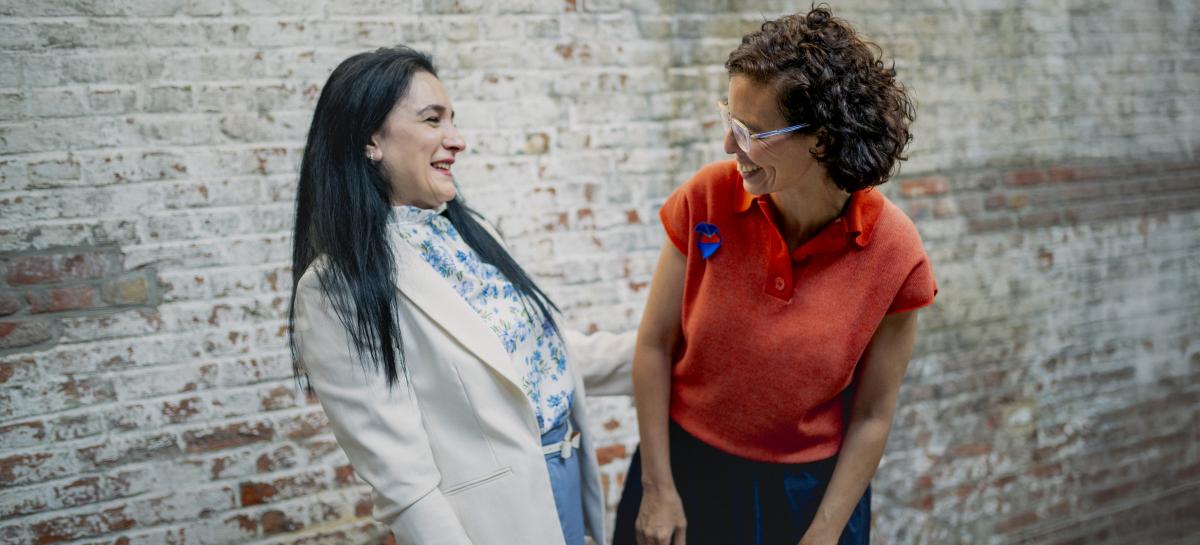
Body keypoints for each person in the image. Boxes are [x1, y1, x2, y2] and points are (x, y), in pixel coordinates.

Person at [613, 6, 936, 545]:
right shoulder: (707, 198)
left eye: (750, 132)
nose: (728, 146)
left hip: (807, 498)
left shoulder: (895, 253)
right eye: (728, 120)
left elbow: (873, 415)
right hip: (684, 473)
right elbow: (652, 347)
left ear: (823, 139)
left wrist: (824, 532)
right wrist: (658, 486)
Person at [288, 46, 633, 545]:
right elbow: (405, 485)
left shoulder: (469, 233)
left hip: (568, 479)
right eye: (433, 120)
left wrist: (671, 347)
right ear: (370, 140)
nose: (457, 140)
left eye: (453, 120)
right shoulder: (334, 290)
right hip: (494, 526)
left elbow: (536, 362)